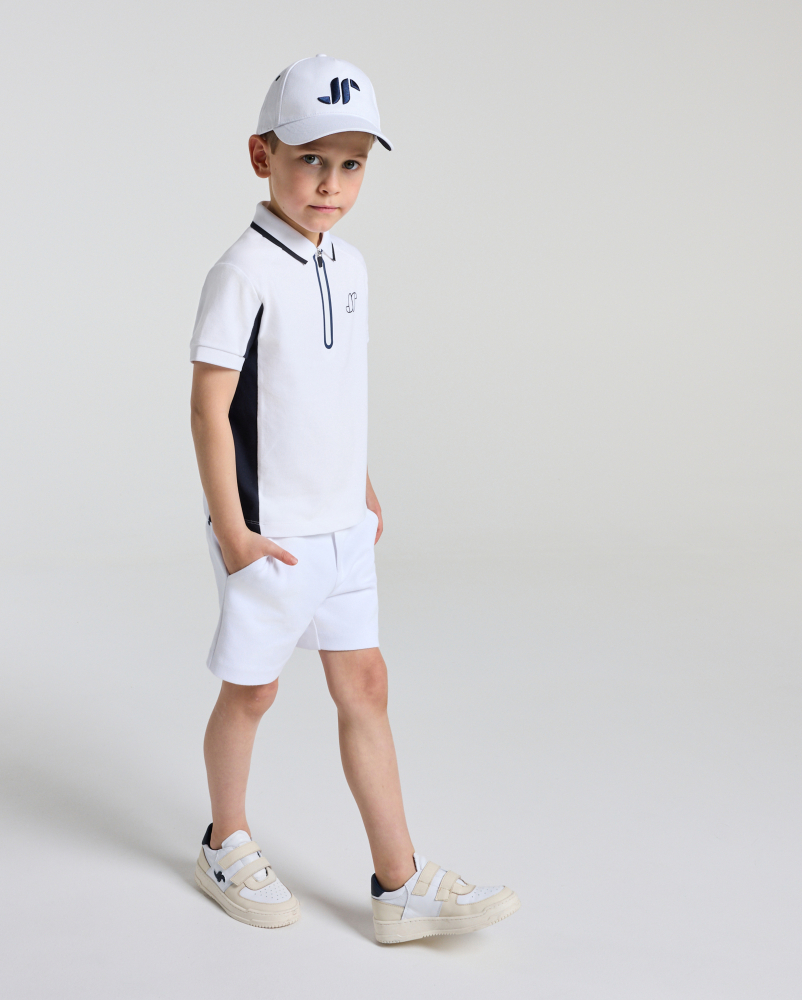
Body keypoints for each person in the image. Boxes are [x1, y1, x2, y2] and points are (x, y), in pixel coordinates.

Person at [188, 55, 518, 943]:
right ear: (261, 155)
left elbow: (328, 392)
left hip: (343, 526)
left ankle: (398, 883)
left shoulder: (352, 265)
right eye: (311, 160)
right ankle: (224, 842)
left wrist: (360, 488)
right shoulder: (242, 273)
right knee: (252, 693)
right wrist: (234, 532)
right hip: (271, 531)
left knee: (366, 684)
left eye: (352, 164)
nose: (331, 184)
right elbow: (211, 407)